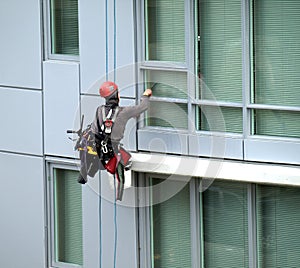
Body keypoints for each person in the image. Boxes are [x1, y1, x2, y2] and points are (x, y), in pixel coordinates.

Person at [91, 81, 152, 200]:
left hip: (102, 151)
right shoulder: (124, 112)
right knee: (126, 162)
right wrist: (146, 95)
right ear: (117, 96)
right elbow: (142, 107)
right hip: (114, 149)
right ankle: (121, 191)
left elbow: (94, 130)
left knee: (117, 163)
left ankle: (116, 183)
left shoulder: (99, 111)